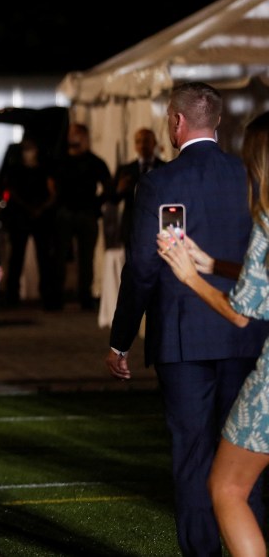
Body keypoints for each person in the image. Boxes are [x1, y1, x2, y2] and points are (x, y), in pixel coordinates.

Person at [106, 82, 269, 556]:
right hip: (247, 336)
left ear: (176, 122)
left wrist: (120, 341)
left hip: (184, 339)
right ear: (216, 121)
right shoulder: (250, 173)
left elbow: (141, 266)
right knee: (246, 463)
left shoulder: (159, 182)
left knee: (193, 458)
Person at [155, 109, 269, 557]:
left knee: (226, 487)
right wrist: (213, 264)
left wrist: (190, 277)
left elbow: (242, 313)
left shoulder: (266, 215)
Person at [53, 122, 112, 310]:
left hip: (87, 214)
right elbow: (51, 185)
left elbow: (108, 187)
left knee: (86, 258)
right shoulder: (60, 160)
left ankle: (84, 296)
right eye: (71, 134)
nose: (73, 137)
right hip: (65, 213)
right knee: (60, 257)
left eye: (77, 134)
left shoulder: (95, 162)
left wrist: (95, 204)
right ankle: (56, 297)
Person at [0, 135, 59, 307]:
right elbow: (11, 191)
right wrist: (29, 207)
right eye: (27, 149)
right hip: (21, 217)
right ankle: (12, 296)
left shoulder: (44, 169)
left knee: (44, 258)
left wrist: (41, 208)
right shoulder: (15, 170)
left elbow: (52, 191)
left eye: (32, 149)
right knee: (17, 257)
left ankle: (48, 295)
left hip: (39, 217)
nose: (30, 153)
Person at [109, 127, 165, 251]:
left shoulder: (164, 168)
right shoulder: (125, 169)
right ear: (134, 146)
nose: (142, 145)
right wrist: (119, 189)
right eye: (138, 142)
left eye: (146, 141)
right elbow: (113, 200)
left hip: (156, 225)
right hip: (131, 226)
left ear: (154, 143)